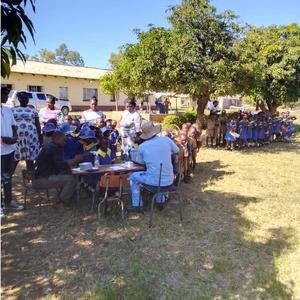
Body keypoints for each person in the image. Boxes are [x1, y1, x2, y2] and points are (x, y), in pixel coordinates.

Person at [127, 121, 179, 212]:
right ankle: (160, 201)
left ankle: (137, 205)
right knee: (159, 173)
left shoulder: (142, 146)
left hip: (155, 181)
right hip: (170, 179)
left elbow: (141, 162)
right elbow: (177, 150)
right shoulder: (166, 140)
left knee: (133, 177)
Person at [34, 131, 87, 209]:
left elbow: (58, 165)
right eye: (64, 140)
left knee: (68, 176)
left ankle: (60, 199)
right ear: (57, 139)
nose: (65, 142)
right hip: (42, 179)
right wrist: (76, 160)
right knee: (71, 180)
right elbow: (62, 165)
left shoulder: (51, 146)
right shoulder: (53, 148)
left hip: (40, 176)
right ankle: (62, 203)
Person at [1, 87, 24, 213]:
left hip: (10, 149)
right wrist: (2, 139)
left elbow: (13, 125)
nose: (6, 96)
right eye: (3, 93)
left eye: (6, 93)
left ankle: (8, 202)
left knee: (7, 177)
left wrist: (14, 137)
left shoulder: (7, 110)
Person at [12, 91, 41, 172]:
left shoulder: (33, 110)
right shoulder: (13, 109)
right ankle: (7, 179)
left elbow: (37, 124)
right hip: (17, 138)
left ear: (28, 99)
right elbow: (10, 124)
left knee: (30, 159)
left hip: (31, 138)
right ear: (18, 99)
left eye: (26, 98)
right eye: (22, 98)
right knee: (15, 159)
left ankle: (30, 180)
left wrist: (40, 137)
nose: (24, 99)